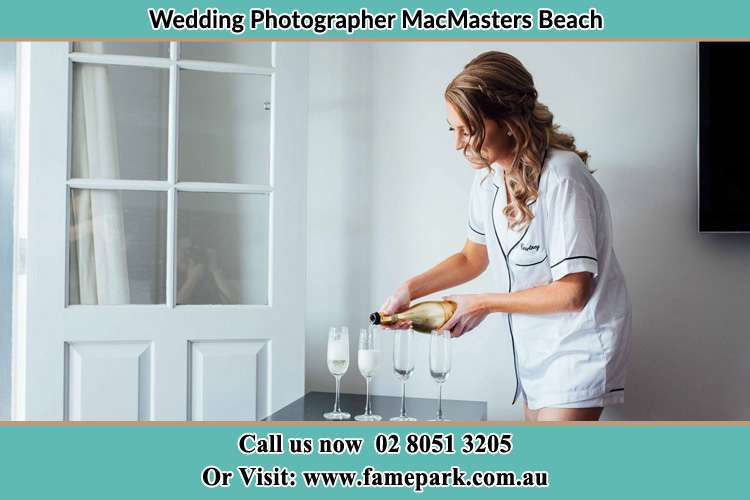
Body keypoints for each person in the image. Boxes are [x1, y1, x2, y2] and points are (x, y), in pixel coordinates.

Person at [379, 51, 631, 422]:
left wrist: (481, 303)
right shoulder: (488, 179)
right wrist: (410, 290)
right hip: (533, 352)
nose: (458, 143)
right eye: (453, 129)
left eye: (469, 128)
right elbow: (471, 258)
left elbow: (573, 293)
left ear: (508, 121)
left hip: (578, 347)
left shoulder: (562, 176)